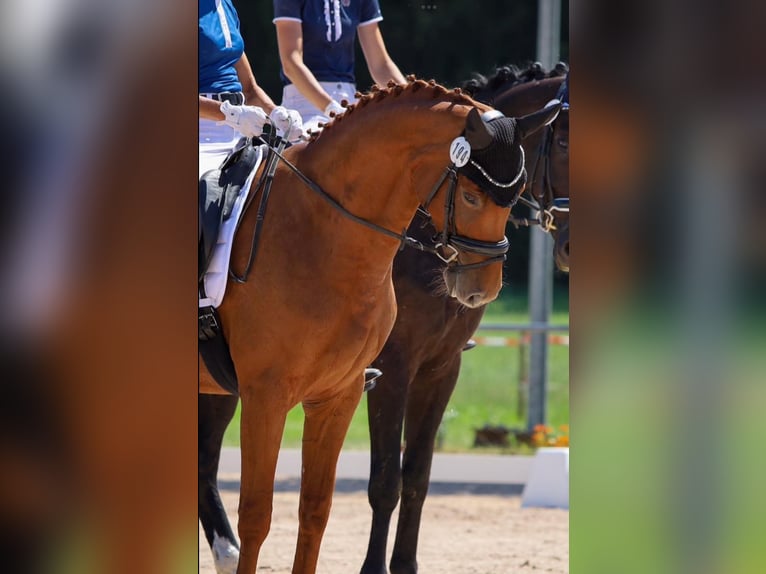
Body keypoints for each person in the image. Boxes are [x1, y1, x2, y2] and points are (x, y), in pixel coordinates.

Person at [199, 0, 304, 179]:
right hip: (203, 138)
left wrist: (276, 113)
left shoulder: (225, 5)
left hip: (241, 136)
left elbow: (249, 90)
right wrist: (230, 114)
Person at [272, 0, 406, 132]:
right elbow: (291, 62)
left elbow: (381, 65)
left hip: (348, 102)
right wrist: (330, 108)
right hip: (304, 105)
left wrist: (412, 99)